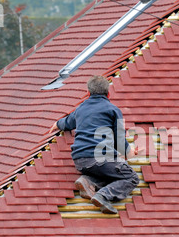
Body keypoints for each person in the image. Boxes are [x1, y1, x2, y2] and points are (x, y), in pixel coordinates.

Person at [48, 75, 140, 214]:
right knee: (130, 177)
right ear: (108, 94)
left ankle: (88, 181)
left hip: (80, 160)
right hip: (101, 159)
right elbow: (119, 140)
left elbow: (67, 122)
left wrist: (57, 124)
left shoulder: (81, 109)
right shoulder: (113, 110)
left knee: (108, 171)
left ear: (88, 93)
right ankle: (103, 195)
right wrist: (130, 152)